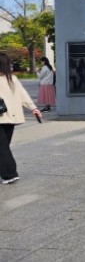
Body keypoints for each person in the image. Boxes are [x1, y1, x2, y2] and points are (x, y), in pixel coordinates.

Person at [0, 51, 42, 184]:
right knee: (4, 146)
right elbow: (23, 95)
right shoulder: (12, 79)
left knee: (2, 147)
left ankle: (9, 174)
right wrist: (33, 108)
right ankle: (6, 171)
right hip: (11, 117)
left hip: (2, 116)